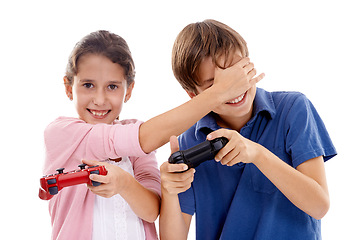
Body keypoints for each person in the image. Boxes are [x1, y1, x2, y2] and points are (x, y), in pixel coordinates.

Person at [43, 30, 264, 240]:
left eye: (112, 87)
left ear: (128, 91)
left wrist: (123, 183)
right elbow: (143, 138)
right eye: (88, 85)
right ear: (68, 86)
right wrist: (219, 92)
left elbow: (151, 211)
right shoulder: (62, 133)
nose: (99, 99)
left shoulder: (137, 138)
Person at [159, 19, 337, 240]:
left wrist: (257, 154)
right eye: (214, 84)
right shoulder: (190, 141)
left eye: (236, 72)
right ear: (194, 96)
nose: (232, 88)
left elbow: (319, 206)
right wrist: (169, 190)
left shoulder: (293, 109)